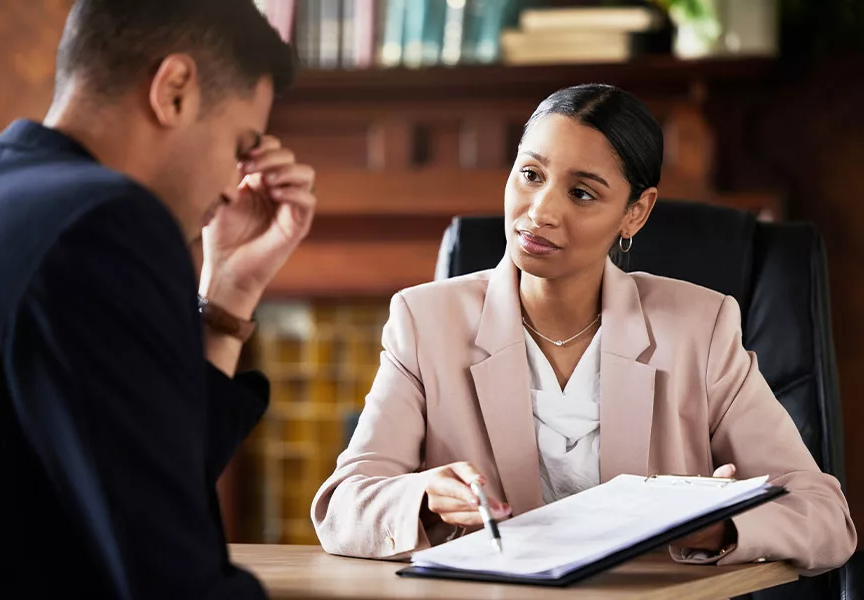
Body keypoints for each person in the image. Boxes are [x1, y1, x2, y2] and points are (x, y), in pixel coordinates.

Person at [311, 84, 856, 575]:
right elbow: (343, 506)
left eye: (582, 193)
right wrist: (422, 497)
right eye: (530, 175)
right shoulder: (423, 320)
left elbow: (826, 516)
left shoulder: (701, 327)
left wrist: (715, 526)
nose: (540, 212)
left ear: (635, 213)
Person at [0, 1, 315, 598]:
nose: (234, 186)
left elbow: (140, 484)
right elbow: (170, 573)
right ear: (174, 89)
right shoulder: (102, 220)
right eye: (239, 145)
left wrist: (229, 292)